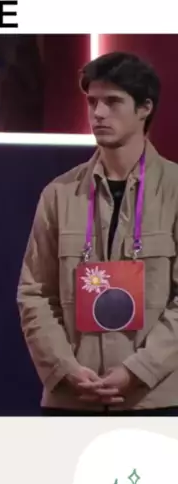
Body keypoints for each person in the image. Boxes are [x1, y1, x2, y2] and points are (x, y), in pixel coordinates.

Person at [18, 51, 178, 415]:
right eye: (92, 102)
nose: (98, 113)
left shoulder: (174, 189)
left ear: (145, 108)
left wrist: (137, 371)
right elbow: (35, 293)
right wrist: (65, 370)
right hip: (73, 398)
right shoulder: (59, 193)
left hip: (155, 400)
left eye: (113, 102)